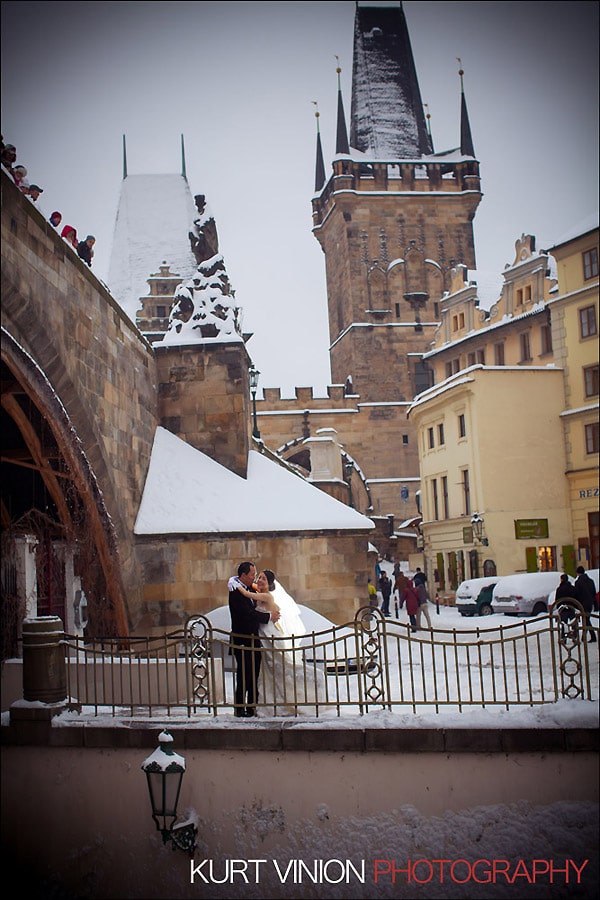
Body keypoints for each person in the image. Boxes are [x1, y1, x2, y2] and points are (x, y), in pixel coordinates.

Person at [234, 569, 327, 715]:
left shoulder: (266, 596)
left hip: (269, 632)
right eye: (259, 577)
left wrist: (234, 583)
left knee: (278, 664)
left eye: (263, 578)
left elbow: (247, 593)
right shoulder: (259, 592)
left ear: (270, 583)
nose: (259, 580)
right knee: (267, 669)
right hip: (261, 634)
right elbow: (252, 589)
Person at [228, 561, 280, 717]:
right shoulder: (236, 592)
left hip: (255, 639)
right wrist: (269, 616)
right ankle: (239, 708)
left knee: (254, 675)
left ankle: (252, 707)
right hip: (242, 639)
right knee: (244, 674)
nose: (255, 578)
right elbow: (247, 615)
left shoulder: (250, 589)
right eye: (252, 575)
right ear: (243, 575)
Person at [574, 566, 597, 643]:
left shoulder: (578, 582)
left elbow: (577, 594)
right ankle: (584, 637)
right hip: (590, 603)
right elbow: (594, 592)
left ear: (577, 573)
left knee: (586, 619)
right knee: (586, 619)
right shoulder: (590, 581)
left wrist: (576, 604)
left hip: (582, 603)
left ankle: (592, 636)